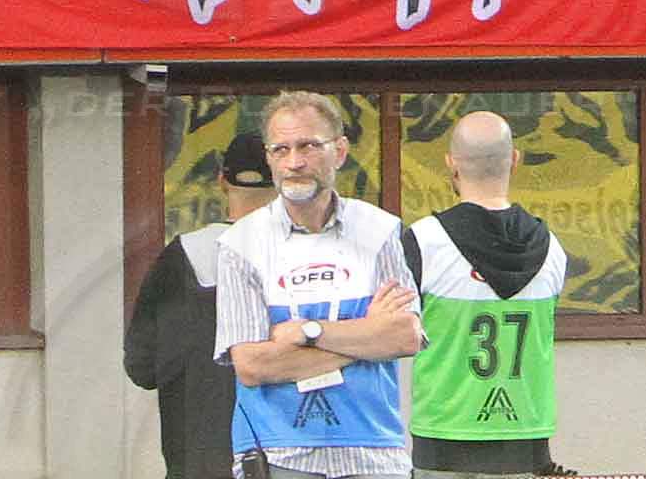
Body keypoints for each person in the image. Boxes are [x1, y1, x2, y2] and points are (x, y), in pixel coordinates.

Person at [209, 89, 420, 479]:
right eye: (280, 150)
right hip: (278, 454)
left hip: (373, 453)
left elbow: (404, 337)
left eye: (308, 146)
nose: (294, 162)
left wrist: (308, 332)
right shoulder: (240, 245)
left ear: (339, 151)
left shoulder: (379, 231)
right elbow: (252, 365)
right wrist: (366, 339)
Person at [403, 111, 570, 476]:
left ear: (451, 164)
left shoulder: (422, 242)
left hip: (443, 435)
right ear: (514, 159)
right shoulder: (553, 249)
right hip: (525, 435)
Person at [127, 131, 275, 479]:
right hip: (288, 458)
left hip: (197, 458)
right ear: (281, 181)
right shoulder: (307, 259)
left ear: (222, 180)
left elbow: (141, 367)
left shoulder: (182, 257)